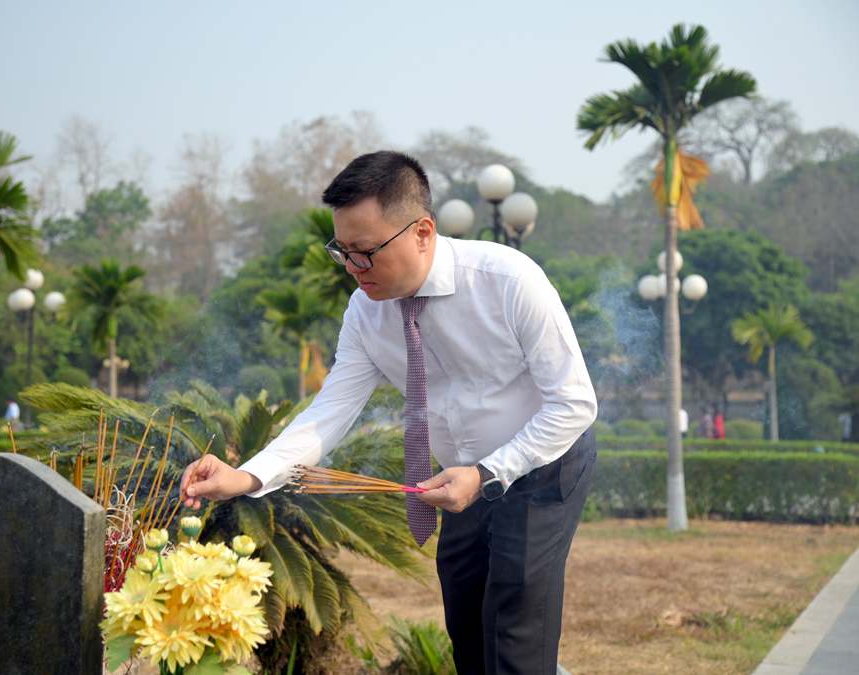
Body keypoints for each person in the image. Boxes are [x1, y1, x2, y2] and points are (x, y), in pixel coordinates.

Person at [179, 151, 597, 675]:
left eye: (366, 251)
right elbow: (329, 410)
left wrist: (488, 472)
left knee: (514, 629)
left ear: (422, 232)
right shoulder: (365, 313)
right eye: (342, 251)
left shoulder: (508, 280)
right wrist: (245, 476)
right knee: (468, 630)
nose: (354, 268)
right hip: (459, 477)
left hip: (541, 464)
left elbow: (575, 403)